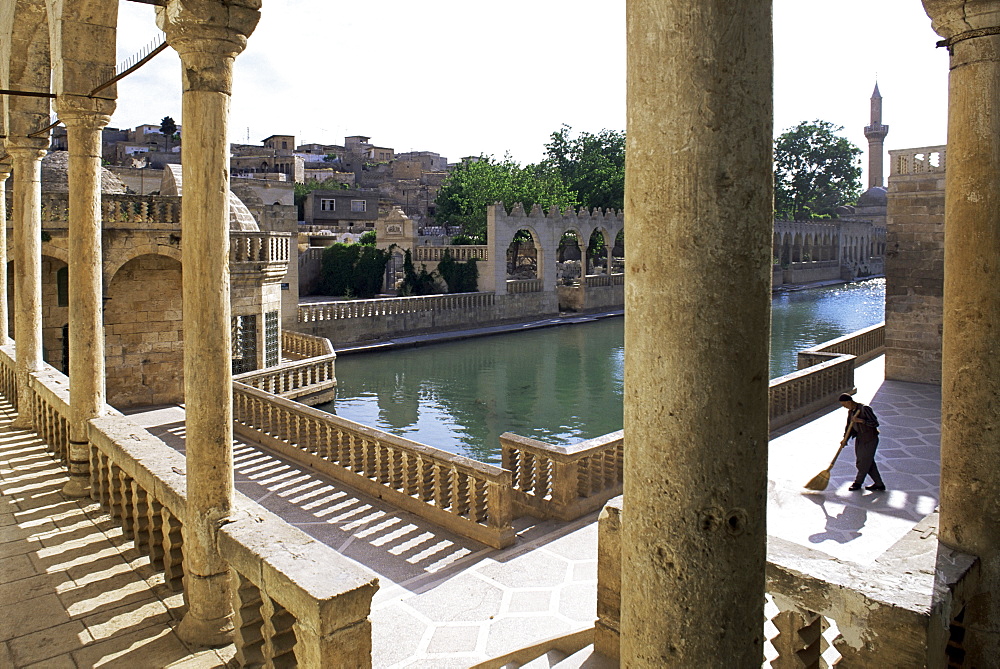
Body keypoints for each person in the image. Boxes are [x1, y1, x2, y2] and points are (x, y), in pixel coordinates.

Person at [838, 393, 885, 491]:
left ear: (849, 402)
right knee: (867, 462)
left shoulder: (865, 409)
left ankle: (857, 483)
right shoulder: (851, 412)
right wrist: (845, 439)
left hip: (870, 439)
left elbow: (875, 423)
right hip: (860, 438)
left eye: (844, 404)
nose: (844, 407)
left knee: (862, 462)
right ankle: (879, 484)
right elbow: (849, 427)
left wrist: (860, 420)